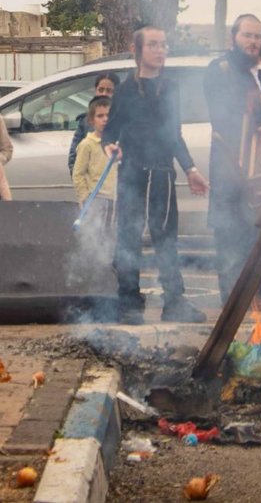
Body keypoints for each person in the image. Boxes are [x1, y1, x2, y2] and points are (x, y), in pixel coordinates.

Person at [104, 26, 210, 325]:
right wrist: (109, 146)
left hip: (163, 174)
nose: (161, 50)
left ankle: (174, 302)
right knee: (128, 238)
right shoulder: (124, 90)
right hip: (132, 174)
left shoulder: (171, 87)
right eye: (153, 45)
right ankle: (129, 303)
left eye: (163, 45)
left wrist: (190, 168)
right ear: (137, 50)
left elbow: (174, 134)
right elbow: (111, 130)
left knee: (166, 239)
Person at [203, 14, 261, 304]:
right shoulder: (219, 70)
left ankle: (256, 302)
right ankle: (233, 307)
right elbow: (228, 115)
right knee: (229, 241)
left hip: (253, 171)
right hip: (228, 170)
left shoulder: (251, 73)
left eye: (258, 36)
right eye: (247, 35)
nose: (253, 41)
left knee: (253, 238)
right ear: (233, 37)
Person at [71, 95, 117, 227]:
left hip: (116, 199)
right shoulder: (87, 144)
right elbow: (78, 174)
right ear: (91, 120)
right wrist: (84, 197)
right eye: (100, 116)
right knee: (98, 236)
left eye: (108, 115)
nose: (105, 119)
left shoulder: (118, 144)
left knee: (113, 236)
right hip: (97, 199)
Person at [67, 72, 119, 173]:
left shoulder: (125, 119)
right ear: (95, 91)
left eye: (109, 91)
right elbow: (74, 156)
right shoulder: (86, 121)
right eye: (101, 90)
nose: (104, 94)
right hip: (92, 181)